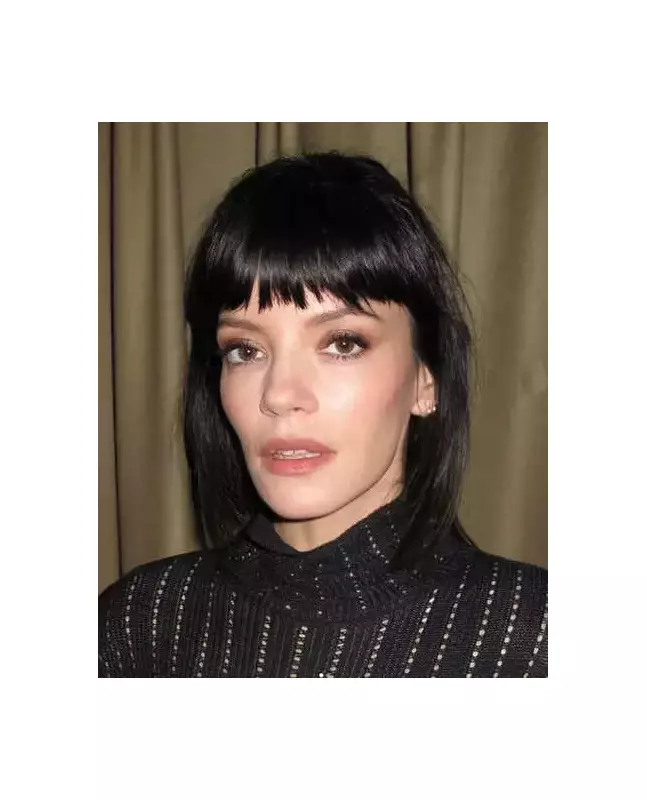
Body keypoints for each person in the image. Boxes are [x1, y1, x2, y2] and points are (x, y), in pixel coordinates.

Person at [99, 152, 547, 678]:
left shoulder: (535, 636)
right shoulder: (141, 622)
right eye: (245, 350)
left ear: (426, 379)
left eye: (342, 343)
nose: (280, 395)